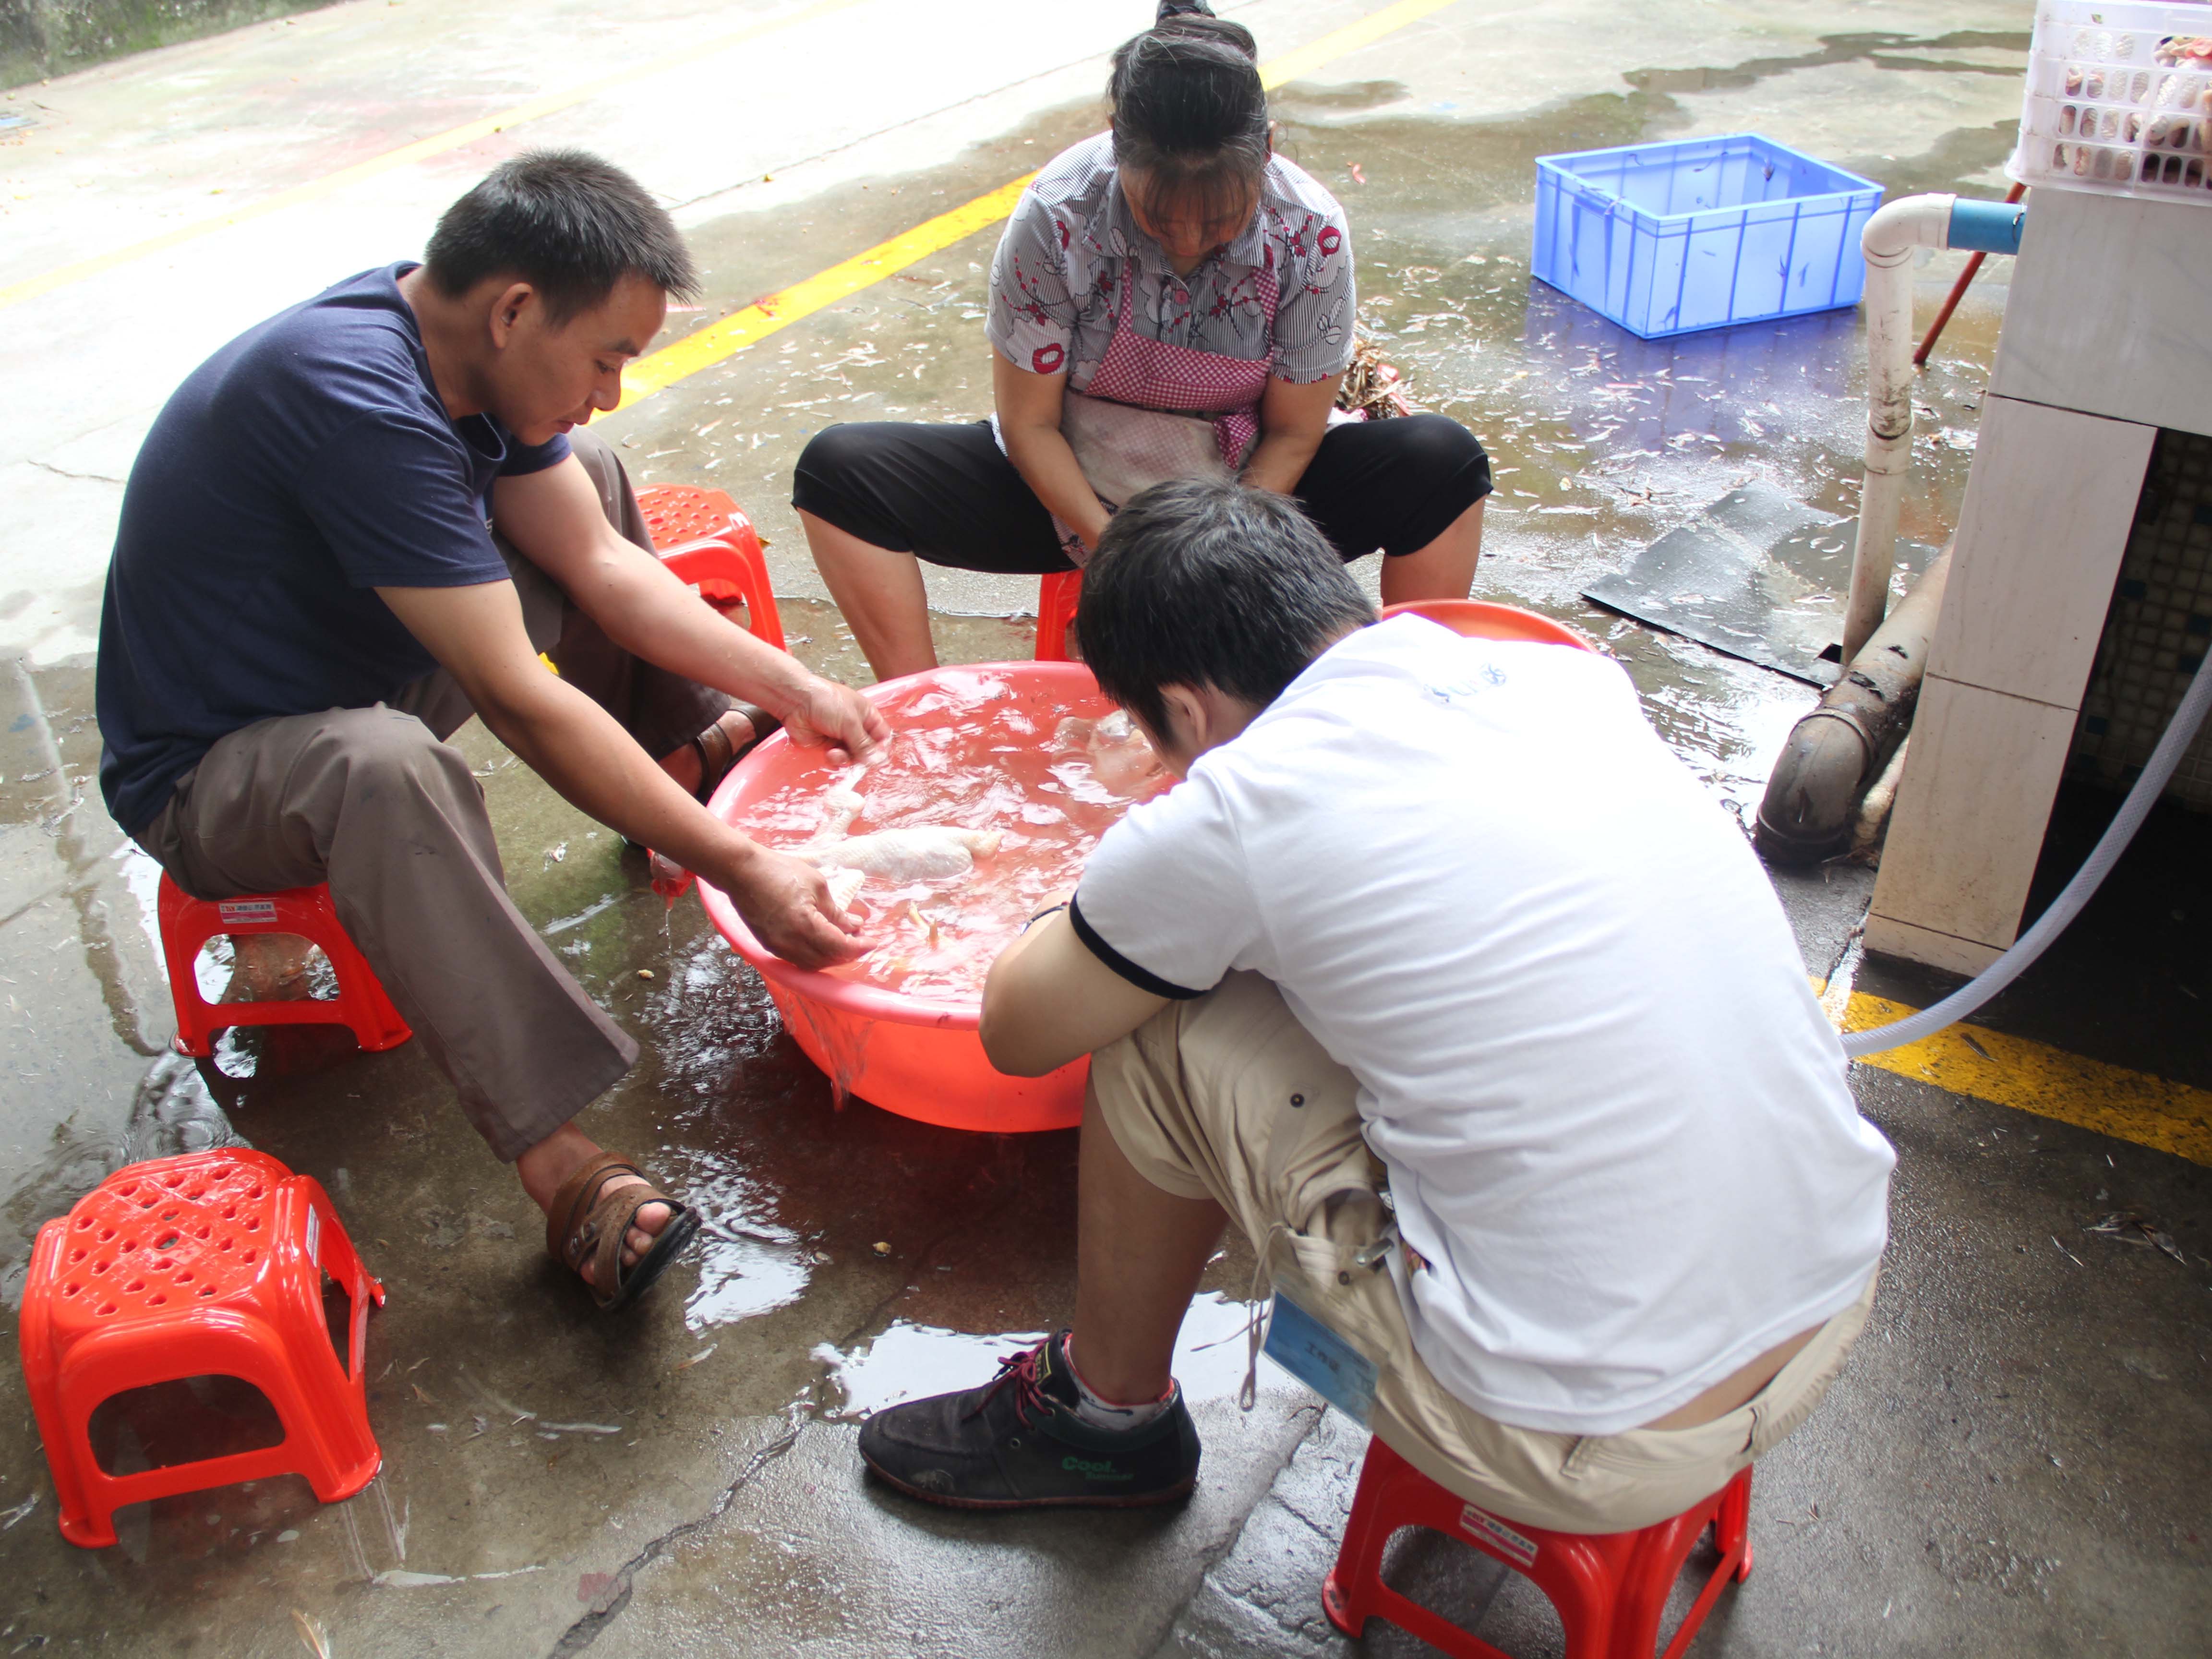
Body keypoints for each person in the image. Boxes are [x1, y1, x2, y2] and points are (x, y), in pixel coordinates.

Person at [856, 478, 1895, 1529]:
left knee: (1152, 1019)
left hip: (1579, 1443)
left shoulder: (1238, 807)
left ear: (1183, 711)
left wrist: (1133, 861)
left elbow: (1019, 1029)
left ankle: (1102, 1421)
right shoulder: (1559, 676)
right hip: (1830, 1294)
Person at [95, 150, 887, 1312]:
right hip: (211, 771)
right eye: (607, 357)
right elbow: (517, 693)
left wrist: (798, 687)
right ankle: (559, 1164)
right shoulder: (356, 400)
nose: (611, 388)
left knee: (586, 477)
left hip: (349, 669)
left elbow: (600, 565)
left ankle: (670, 775)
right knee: (385, 770)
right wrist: (745, 865)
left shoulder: (462, 347)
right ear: (515, 310)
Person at [793, 2, 1492, 681]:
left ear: (1267, 151)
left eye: (1219, 220)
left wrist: (1216, 550)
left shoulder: (1310, 231)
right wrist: (1124, 554)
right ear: (1115, 144)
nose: (1186, 241)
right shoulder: (1058, 214)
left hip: (1245, 490)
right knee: (841, 472)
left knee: (1439, 463)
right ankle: (916, 716)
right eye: (1158, 217)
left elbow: (1293, 432)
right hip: (1072, 487)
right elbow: (1030, 423)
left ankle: (1413, 701)